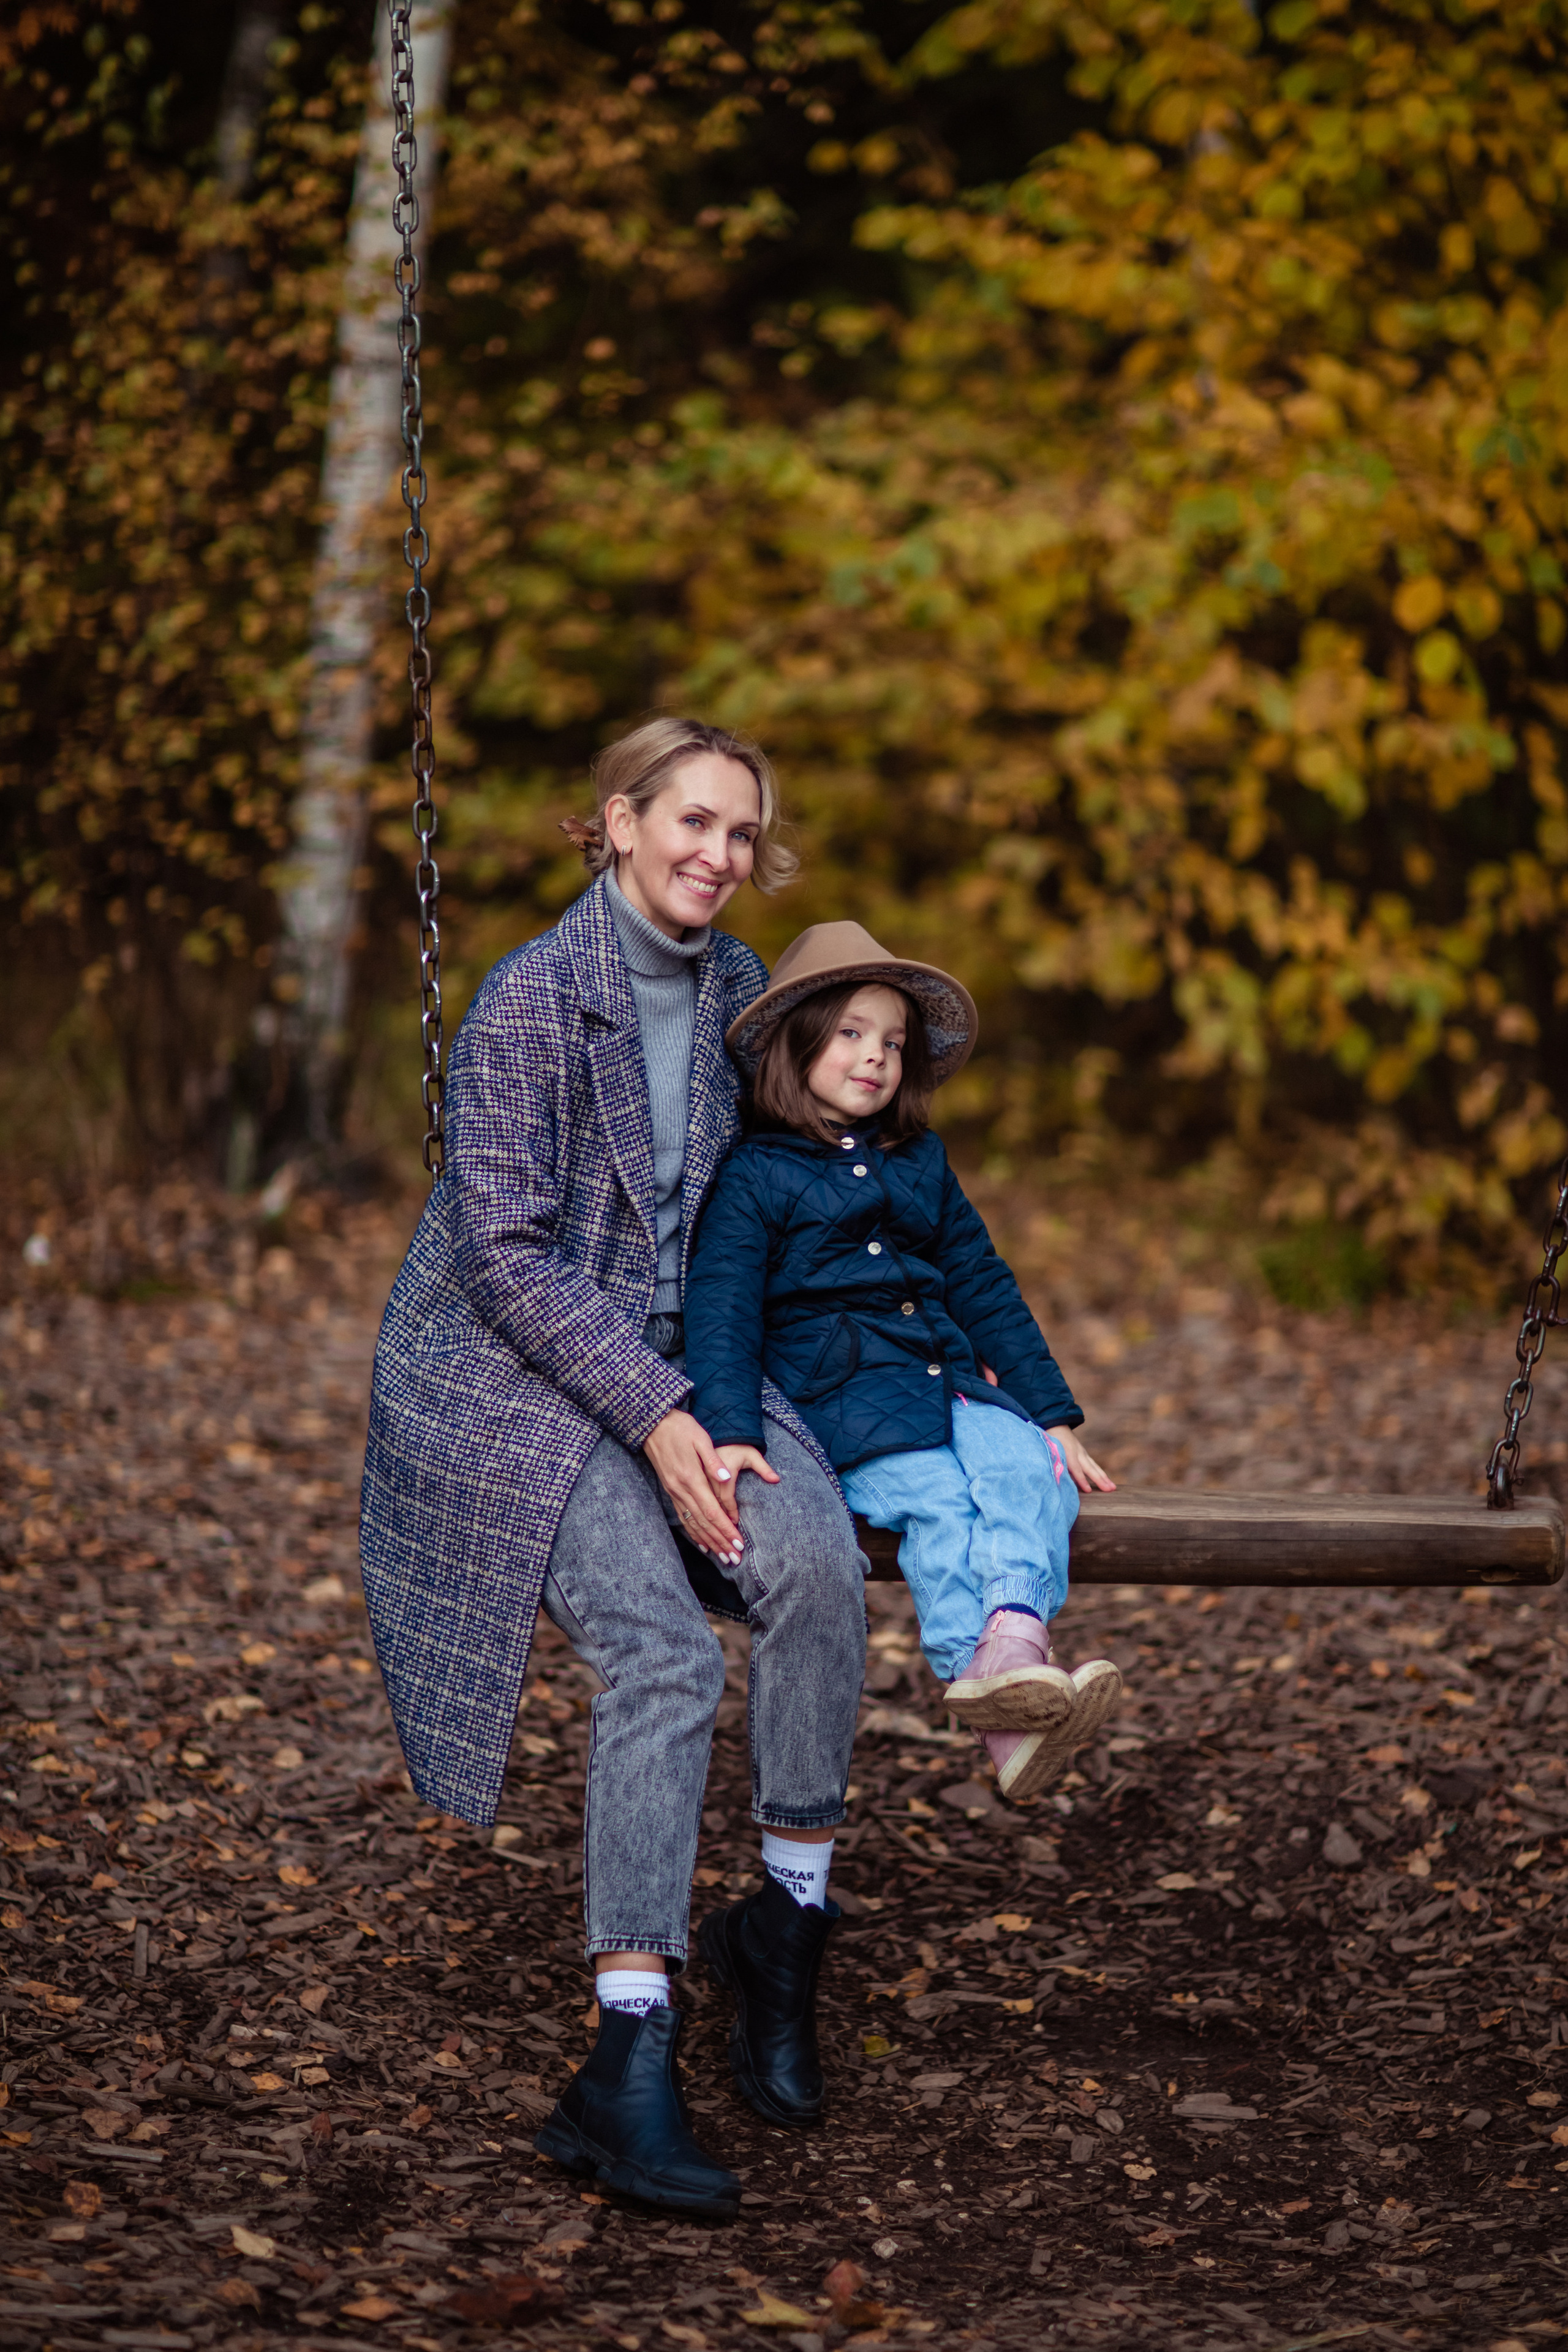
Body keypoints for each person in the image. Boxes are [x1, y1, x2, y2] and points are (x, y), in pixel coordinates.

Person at [359, 720, 869, 2223]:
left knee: (818, 1566)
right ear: (620, 823)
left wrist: (934, 1357)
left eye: (740, 833)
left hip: (700, 1357)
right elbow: (502, 1257)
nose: (718, 854)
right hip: (520, 1375)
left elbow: (806, 1178)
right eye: (691, 822)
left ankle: (781, 1932)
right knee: (661, 1649)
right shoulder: (529, 998)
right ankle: (624, 2054)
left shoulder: (740, 990)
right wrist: (652, 1417)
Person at [684, 921, 1123, 1802]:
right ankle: (988, 1678)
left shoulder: (919, 1160)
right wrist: (732, 1430)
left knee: (1030, 1470)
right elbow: (722, 1308)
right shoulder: (756, 1176)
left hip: (950, 1384)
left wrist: (1052, 1413)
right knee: (939, 1508)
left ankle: (1013, 1640)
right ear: (796, 1046)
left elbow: (983, 1282)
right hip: (846, 1404)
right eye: (851, 1033)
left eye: (891, 1042)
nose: (875, 1057)